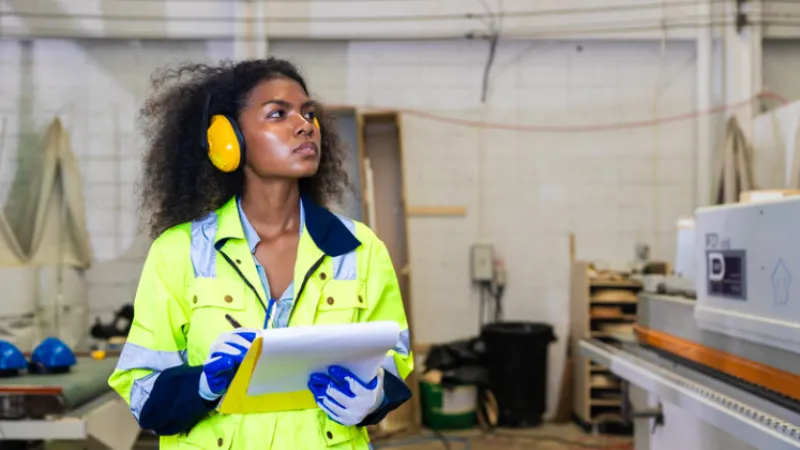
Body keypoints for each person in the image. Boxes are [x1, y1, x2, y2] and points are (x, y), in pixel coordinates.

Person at [108, 58, 413, 449]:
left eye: (308, 114)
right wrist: (201, 384)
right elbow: (142, 392)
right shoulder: (180, 252)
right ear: (227, 139)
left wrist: (373, 400)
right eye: (277, 114)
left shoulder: (358, 248)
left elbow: (392, 360)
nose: (304, 125)